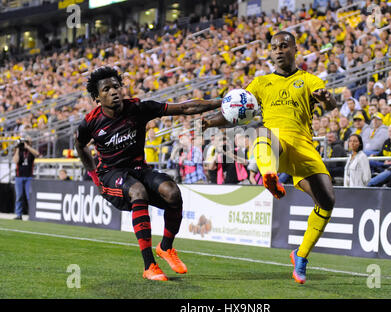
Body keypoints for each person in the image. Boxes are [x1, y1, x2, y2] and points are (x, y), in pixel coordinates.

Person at [204, 31, 337, 284]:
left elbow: (329, 102)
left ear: (295, 49)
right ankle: (268, 175)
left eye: (284, 46)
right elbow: (234, 112)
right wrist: (210, 121)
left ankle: (300, 255)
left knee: (327, 201)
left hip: (304, 149)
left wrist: (328, 99)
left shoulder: (308, 79)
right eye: (274, 47)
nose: (278, 50)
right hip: (275, 146)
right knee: (263, 131)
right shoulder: (260, 83)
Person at [75, 66, 222, 281]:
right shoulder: (90, 122)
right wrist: (95, 177)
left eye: (116, 86)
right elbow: (80, 146)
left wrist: (221, 102)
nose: (114, 91)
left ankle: (166, 248)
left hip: (138, 169)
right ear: (97, 97)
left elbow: (185, 108)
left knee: (172, 191)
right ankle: (149, 265)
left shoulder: (138, 109)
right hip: (110, 174)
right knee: (138, 191)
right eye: (106, 89)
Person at [13, 136, 40, 220]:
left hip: (29, 177)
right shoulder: (19, 151)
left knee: (29, 197)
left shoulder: (30, 151)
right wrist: (17, 148)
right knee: (19, 196)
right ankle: (18, 214)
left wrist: (28, 147)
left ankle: (31, 214)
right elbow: (15, 161)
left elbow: (37, 154)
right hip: (19, 177)